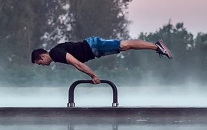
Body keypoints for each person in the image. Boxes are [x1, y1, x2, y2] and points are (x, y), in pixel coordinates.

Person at [31, 37, 172, 84]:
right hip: (94, 49)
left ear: (42, 56)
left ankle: (156, 46)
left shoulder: (56, 54)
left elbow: (78, 64)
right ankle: (156, 47)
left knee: (125, 45)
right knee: (125, 47)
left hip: (94, 46)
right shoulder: (56, 54)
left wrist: (94, 75)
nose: (42, 66)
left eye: (40, 63)